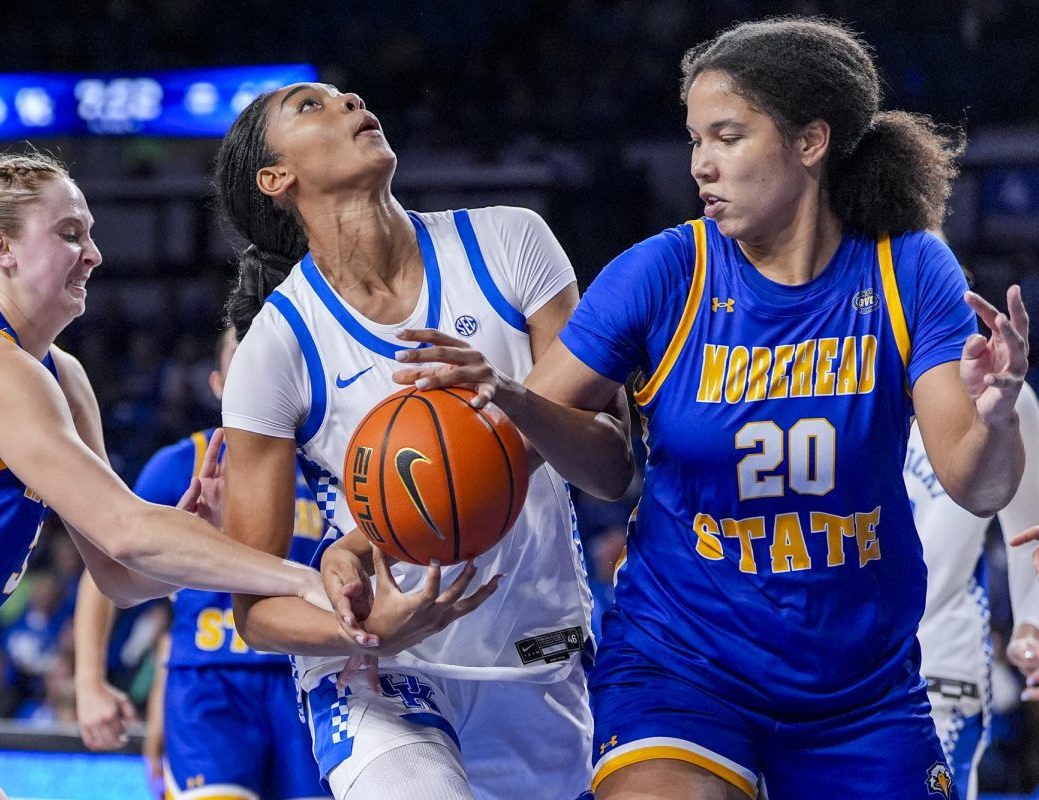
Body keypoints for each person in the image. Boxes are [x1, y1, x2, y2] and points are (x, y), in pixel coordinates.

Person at [392, 17, 1030, 800]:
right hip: (682, 663)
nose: (702, 165)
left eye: (727, 137)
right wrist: (371, 534)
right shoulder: (662, 272)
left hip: (858, 686)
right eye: (694, 141)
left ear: (810, 142)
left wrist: (997, 419)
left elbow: (979, 485)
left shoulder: (908, 268)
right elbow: (498, 453)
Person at [0, 151, 340, 800]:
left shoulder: (64, 378)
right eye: (70, 233)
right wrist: (305, 580)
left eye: (92, 233)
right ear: (3, 250)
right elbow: (128, 530)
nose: (95, 253)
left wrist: (197, 536)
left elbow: (123, 576)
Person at [213, 82, 616, 800]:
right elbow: (255, 610)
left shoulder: (508, 243)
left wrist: (512, 398)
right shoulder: (277, 348)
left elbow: (610, 468)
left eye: (345, 96)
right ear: (276, 179)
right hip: (380, 675)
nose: (350, 100)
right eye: (311, 106)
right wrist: (365, 635)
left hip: (536, 652)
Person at [74, 327, 328, 800]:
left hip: (310, 680)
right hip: (209, 683)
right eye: (241, 353)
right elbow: (105, 571)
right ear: (217, 384)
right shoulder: (180, 463)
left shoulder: (326, 465)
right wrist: (89, 681)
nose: (256, 364)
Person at [907, 381, 1039, 800]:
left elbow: (1028, 526)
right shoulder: (829, 379)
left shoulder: (1003, 391)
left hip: (939, 674)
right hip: (824, 675)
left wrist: (1030, 623)